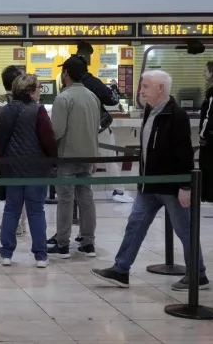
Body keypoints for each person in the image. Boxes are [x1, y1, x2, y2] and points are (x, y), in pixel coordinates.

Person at [92, 70, 207, 291]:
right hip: (148, 185)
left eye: (145, 86)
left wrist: (185, 187)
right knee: (135, 225)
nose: (141, 90)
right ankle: (121, 270)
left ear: (160, 88)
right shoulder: (150, 111)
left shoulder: (176, 115)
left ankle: (198, 275)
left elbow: (184, 154)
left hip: (172, 186)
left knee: (185, 231)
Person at [0, 74, 57, 268]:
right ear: (29, 90)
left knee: (11, 210)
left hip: (12, 169)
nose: (40, 91)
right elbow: (48, 140)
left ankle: (6, 254)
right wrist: (54, 160)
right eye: (38, 88)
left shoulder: (5, 111)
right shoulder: (38, 111)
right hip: (36, 169)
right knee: (36, 211)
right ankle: (40, 256)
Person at [48, 55, 101, 259]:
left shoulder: (63, 98)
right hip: (89, 155)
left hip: (67, 156)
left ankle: (63, 244)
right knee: (86, 198)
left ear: (66, 74)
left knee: (65, 199)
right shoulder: (92, 96)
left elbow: (57, 131)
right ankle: (88, 243)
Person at [77, 55, 130, 203]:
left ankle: (85, 191)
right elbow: (112, 100)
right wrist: (113, 88)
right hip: (100, 128)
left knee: (84, 162)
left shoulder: (71, 85)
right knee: (110, 159)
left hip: (80, 130)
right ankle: (118, 191)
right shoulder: (94, 83)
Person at [0, 65, 27, 238]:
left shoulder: (2, 99)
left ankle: (14, 224)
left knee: (12, 189)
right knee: (23, 188)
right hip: (26, 149)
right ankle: (22, 223)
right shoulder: (29, 100)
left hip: (7, 150)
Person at [199, 62, 213, 202]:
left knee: (206, 166)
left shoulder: (211, 92)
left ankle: (207, 195)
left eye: (205, 71)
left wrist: (203, 135)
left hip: (209, 139)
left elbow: (208, 116)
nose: (204, 73)